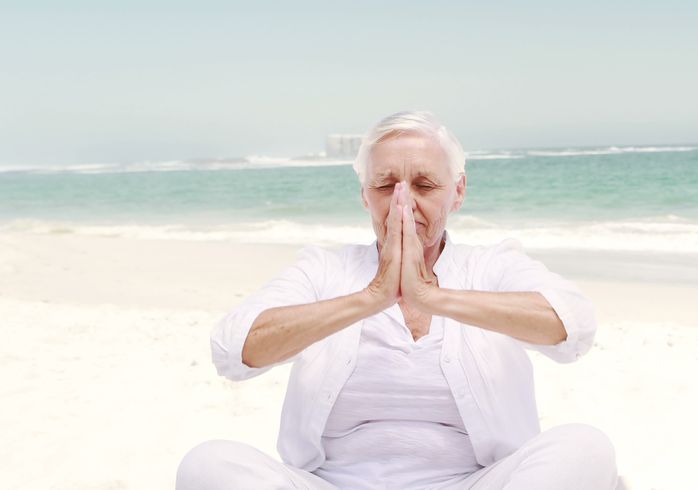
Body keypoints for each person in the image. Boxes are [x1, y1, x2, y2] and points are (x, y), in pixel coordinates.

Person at [176, 111, 620, 489]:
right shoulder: (323, 270)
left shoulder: (492, 266)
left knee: (585, 446)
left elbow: (573, 328)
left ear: (458, 192)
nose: (402, 202)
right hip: (333, 483)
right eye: (386, 185)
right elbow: (233, 351)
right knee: (208, 464)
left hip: (473, 483)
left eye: (424, 185)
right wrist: (370, 298)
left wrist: (433, 296)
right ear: (364, 194)